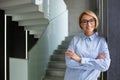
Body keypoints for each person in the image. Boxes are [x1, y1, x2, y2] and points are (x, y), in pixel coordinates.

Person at [64, 10, 111, 80]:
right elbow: (69, 62)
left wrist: (80, 59)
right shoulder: (75, 39)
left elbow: (105, 66)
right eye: (85, 21)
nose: (88, 24)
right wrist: (95, 61)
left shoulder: (101, 41)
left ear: (95, 22)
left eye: (91, 20)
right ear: (81, 24)